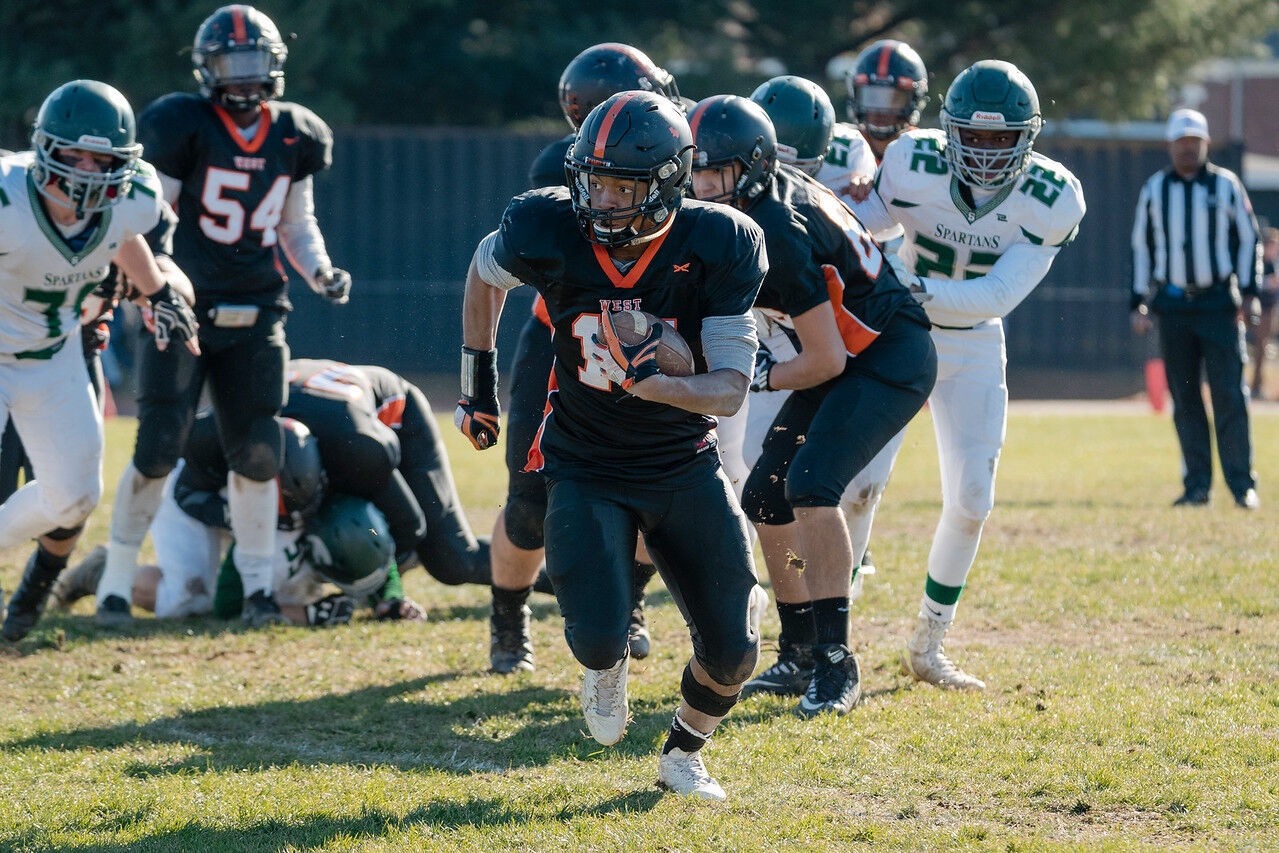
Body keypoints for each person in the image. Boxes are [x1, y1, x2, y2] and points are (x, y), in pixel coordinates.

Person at [456, 90, 766, 801]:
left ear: (665, 184)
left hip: (682, 461)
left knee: (733, 651)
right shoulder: (546, 224)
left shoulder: (718, 241)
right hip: (583, 462)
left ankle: (683, 753)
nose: (602, 199)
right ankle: (603, 672)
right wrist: (477, 382)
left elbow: (726, 388)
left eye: (622, 186)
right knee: (596, 638)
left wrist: (663, 383)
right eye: (593, 180)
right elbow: (483, 272)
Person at [95, 5, 352, 628]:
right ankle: (113, 584)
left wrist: (318, 270)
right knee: (157, 446)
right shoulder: (180, 124)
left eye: (254, 63)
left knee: (260, 451)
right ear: (205, 69)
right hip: (182, 306)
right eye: (231, 65)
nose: (243, 78)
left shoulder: (295, 132)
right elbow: (151, 222)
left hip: (258, 310)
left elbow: (296, 222)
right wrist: (154, 288)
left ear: (275, 66)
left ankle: (260, 591)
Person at [689, 95, 936, 716]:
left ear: (749, 170)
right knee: (765, 497)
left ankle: (835, 659)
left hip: (889, 356)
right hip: (849, 351)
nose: (700, 186)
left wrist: (758, 376)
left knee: (811, 487)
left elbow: (824, 361)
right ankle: (799, 646)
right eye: (693, 170)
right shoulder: (763, 203)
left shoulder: (773, 231)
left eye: (713, 173)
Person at [845, 60, 1086, 690]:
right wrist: (824, 200)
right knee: (857, 490)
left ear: (1027, 137)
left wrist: (905, 284)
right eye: (972, 137)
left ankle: (928, 644)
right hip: (899, 339)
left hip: (972, 342)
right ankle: (828, 642)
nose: (983, 152)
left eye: (1000, 139)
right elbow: (863, 224)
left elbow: (995, 297)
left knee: (974, 501)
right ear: (948, 130)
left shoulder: (1053, 196)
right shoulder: (909, 161)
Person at [490, 42, 684, 674]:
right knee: (527, 504)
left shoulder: (684, 154)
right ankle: (508, 617)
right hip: (562, 344)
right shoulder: (558, 167)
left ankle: (627, 602)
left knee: (664, 486)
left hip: (655, 336)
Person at [0, 80, 199, 642]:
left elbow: (122, 232)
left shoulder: (133, 197)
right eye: (73, 155)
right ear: (44, 150)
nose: (87, 170)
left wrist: (157, 293)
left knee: (75, 495)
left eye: (101, 158)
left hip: (54, 354)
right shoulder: (7, 196)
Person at [1130, 108, 1261, 509]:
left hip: (1218, 303)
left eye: (1195, 142)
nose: (1188, 148)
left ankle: (1242, 485)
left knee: (1229, 395)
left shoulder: (1226, 185)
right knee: (1185, 398)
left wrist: (1249, 293)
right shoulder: (1155, 189)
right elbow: (1142, 247)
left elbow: (1248, 239)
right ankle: (1197, 486)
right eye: (1181, 142)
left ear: (1205, 144)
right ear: (1170, 145)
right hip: (1173, 305)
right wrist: (1138, 300)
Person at [282, 359, 491, 587]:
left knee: (452, 560)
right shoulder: (252, 435)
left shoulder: (357, 452)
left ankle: (528, 564)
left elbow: (408, 527)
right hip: (339, 415)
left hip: (395, 419)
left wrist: (385, 590)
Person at [1248, 227, 1278, 400]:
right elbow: (1256, 284)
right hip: (1257, 310)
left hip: (1269, 310)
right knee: (1257, 347)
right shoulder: (1259, 261)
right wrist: (1269, 283)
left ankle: (1257, 385)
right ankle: (1253, 386)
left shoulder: (1272, 262)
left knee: (1263, 348)